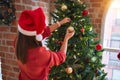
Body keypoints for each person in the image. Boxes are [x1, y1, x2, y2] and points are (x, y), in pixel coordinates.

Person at [15, 8, 75, 80]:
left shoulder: (18, 42)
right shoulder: (40, 54)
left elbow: (44, 32)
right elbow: (61, 57)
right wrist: (66, 39)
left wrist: (60, 23)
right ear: (36, 36)